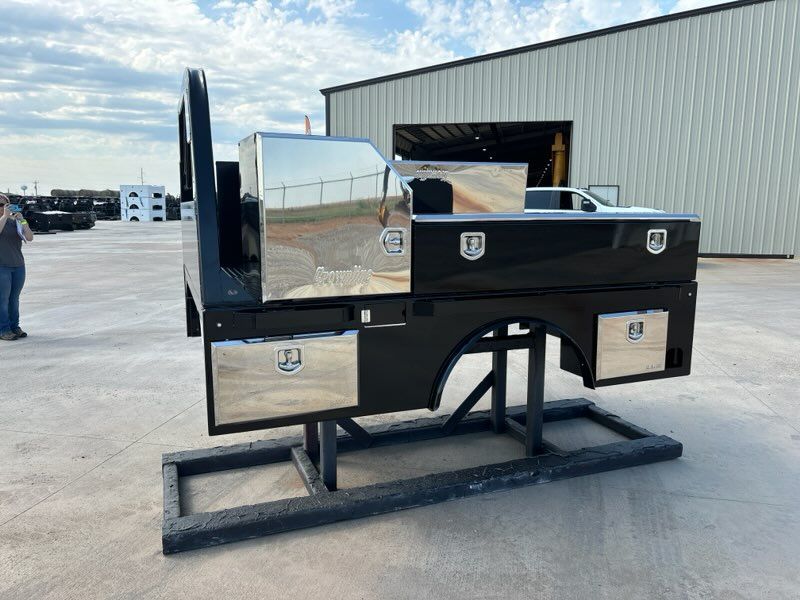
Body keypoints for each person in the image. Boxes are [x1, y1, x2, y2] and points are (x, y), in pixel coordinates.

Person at [0, 193, 33, 341]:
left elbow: (30, 237)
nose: (3, 208)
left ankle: (15, 327)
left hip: (18, 265)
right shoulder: (3, 220)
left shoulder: (15, 222)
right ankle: (3, 329)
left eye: (5, 204)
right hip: (2, 266)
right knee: (3, 299)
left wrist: (23, 221)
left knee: (14, 299)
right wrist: (5, 216)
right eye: (0, 205)